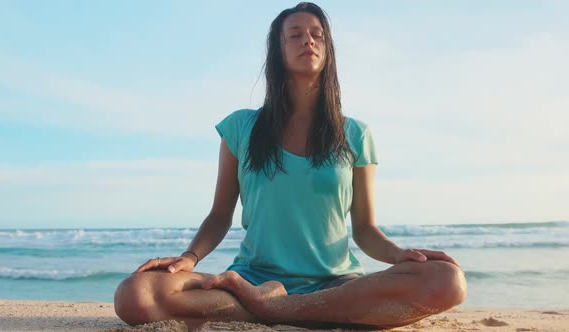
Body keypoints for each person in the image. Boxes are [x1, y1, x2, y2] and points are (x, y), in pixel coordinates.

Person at [114, 2, 467, 329]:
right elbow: (220, 215)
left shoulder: (355, 134)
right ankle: (300, 311)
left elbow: (365, 229)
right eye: (295, 35)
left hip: (335, 283)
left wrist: (401, 255)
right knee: (134, 295)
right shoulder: (241, 127)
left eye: (317, 35)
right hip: (252, 279)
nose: (307, 41)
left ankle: (275, 310)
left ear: (328, 51)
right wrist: (189, 257)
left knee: (446, 280)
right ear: (279, 51)